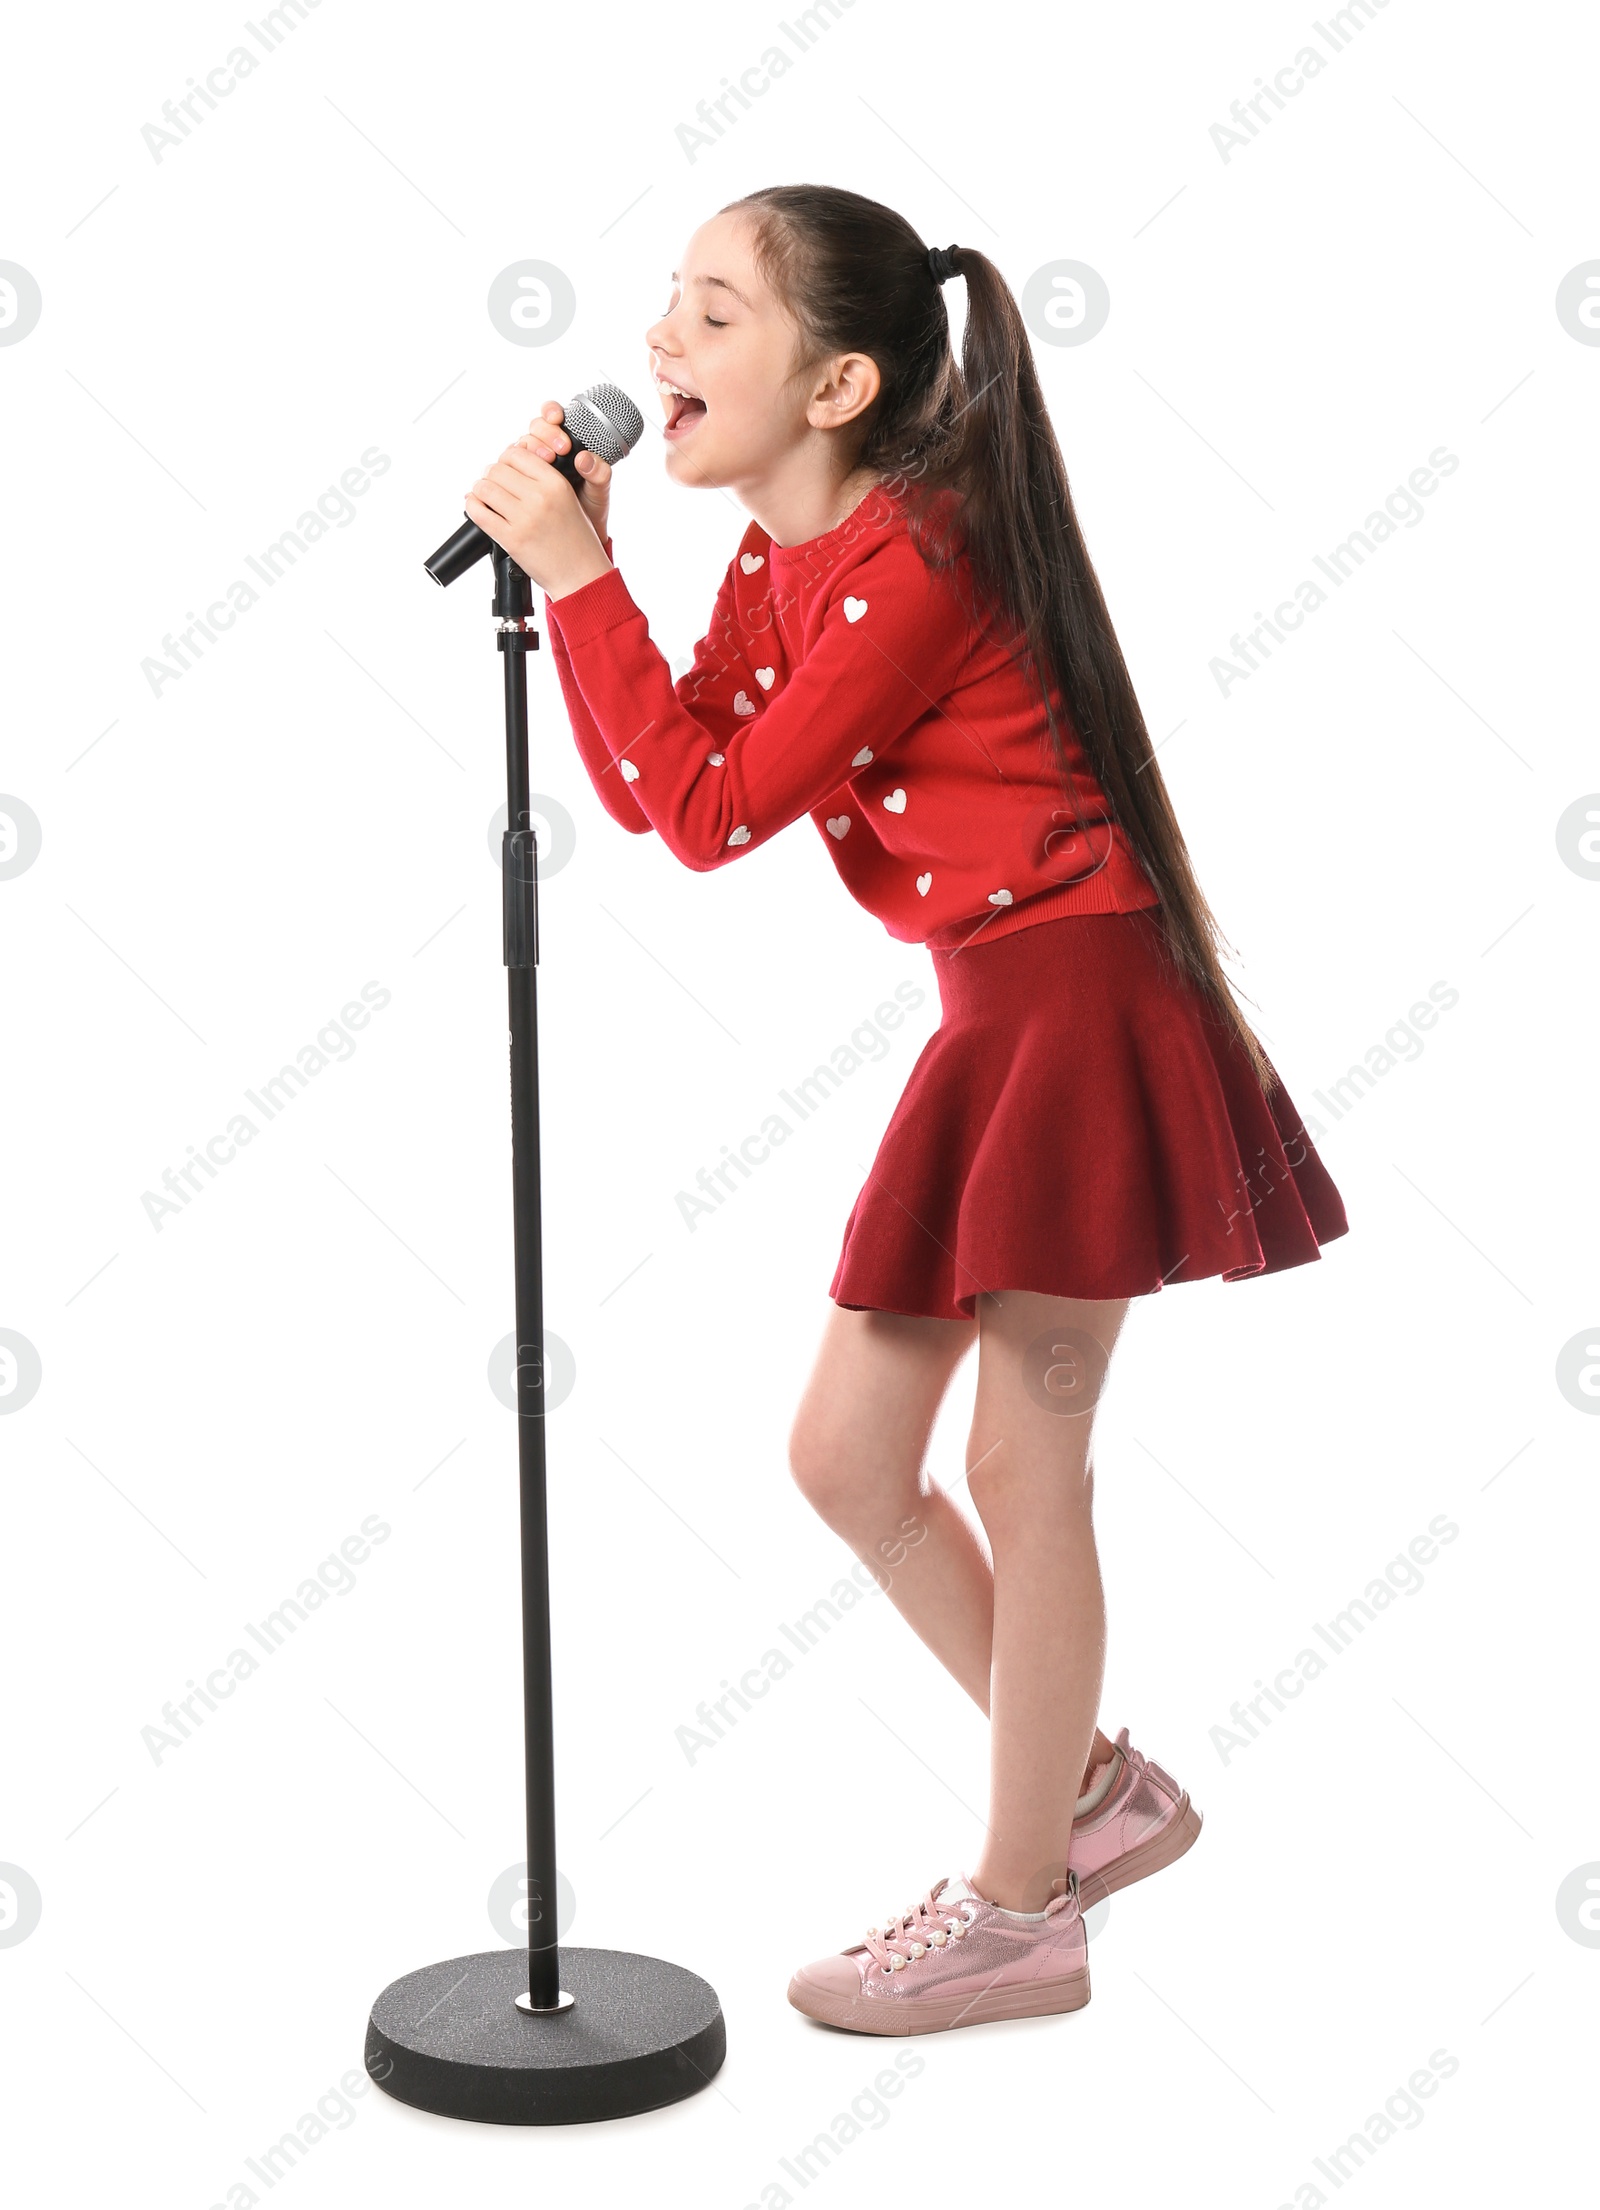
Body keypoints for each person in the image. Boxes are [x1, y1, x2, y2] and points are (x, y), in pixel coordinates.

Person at [462, 182, 1348, 2037]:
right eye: (667, 307)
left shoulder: (917, 560)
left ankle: (1025, 1909)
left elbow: (708, 812)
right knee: (850, 1460)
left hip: (1080, 1001)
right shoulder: (789, 565)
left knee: (1030, 1470)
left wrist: (585, 582)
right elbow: (667, 793)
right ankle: (1098, 1792)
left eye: (712, 317)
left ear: (841, 378)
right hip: (997, 1012)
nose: (657, 349)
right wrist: (595, 587)